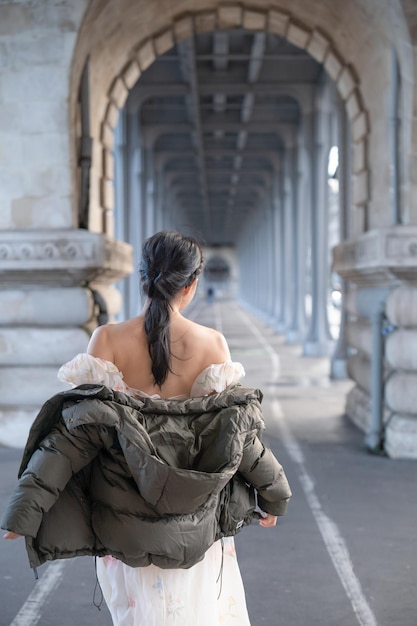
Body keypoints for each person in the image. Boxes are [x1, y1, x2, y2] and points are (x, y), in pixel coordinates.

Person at [3, 230, 291, 626]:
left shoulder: (107, 340)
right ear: (190, 285)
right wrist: (273, 495)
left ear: (143, 278)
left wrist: (24, 513)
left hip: (124, 530)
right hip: (197, 529)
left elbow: (71, 440)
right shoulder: (213, 345)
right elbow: (238, 435)